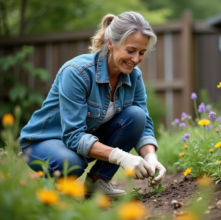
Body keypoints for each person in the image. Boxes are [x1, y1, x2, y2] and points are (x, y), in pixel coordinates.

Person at [19, 11, 166, 198]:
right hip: (46, 141)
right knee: (71, 162)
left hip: (85, 140)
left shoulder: (134, 77)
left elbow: (143, 123)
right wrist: (122, 157)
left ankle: (97, 182)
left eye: (141, 53)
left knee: (137, 116)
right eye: (130, 51)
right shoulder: (77, 73)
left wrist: (151, 157)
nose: (136, 59)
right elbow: (73, 135)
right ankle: (46, 192)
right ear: (111, 43)